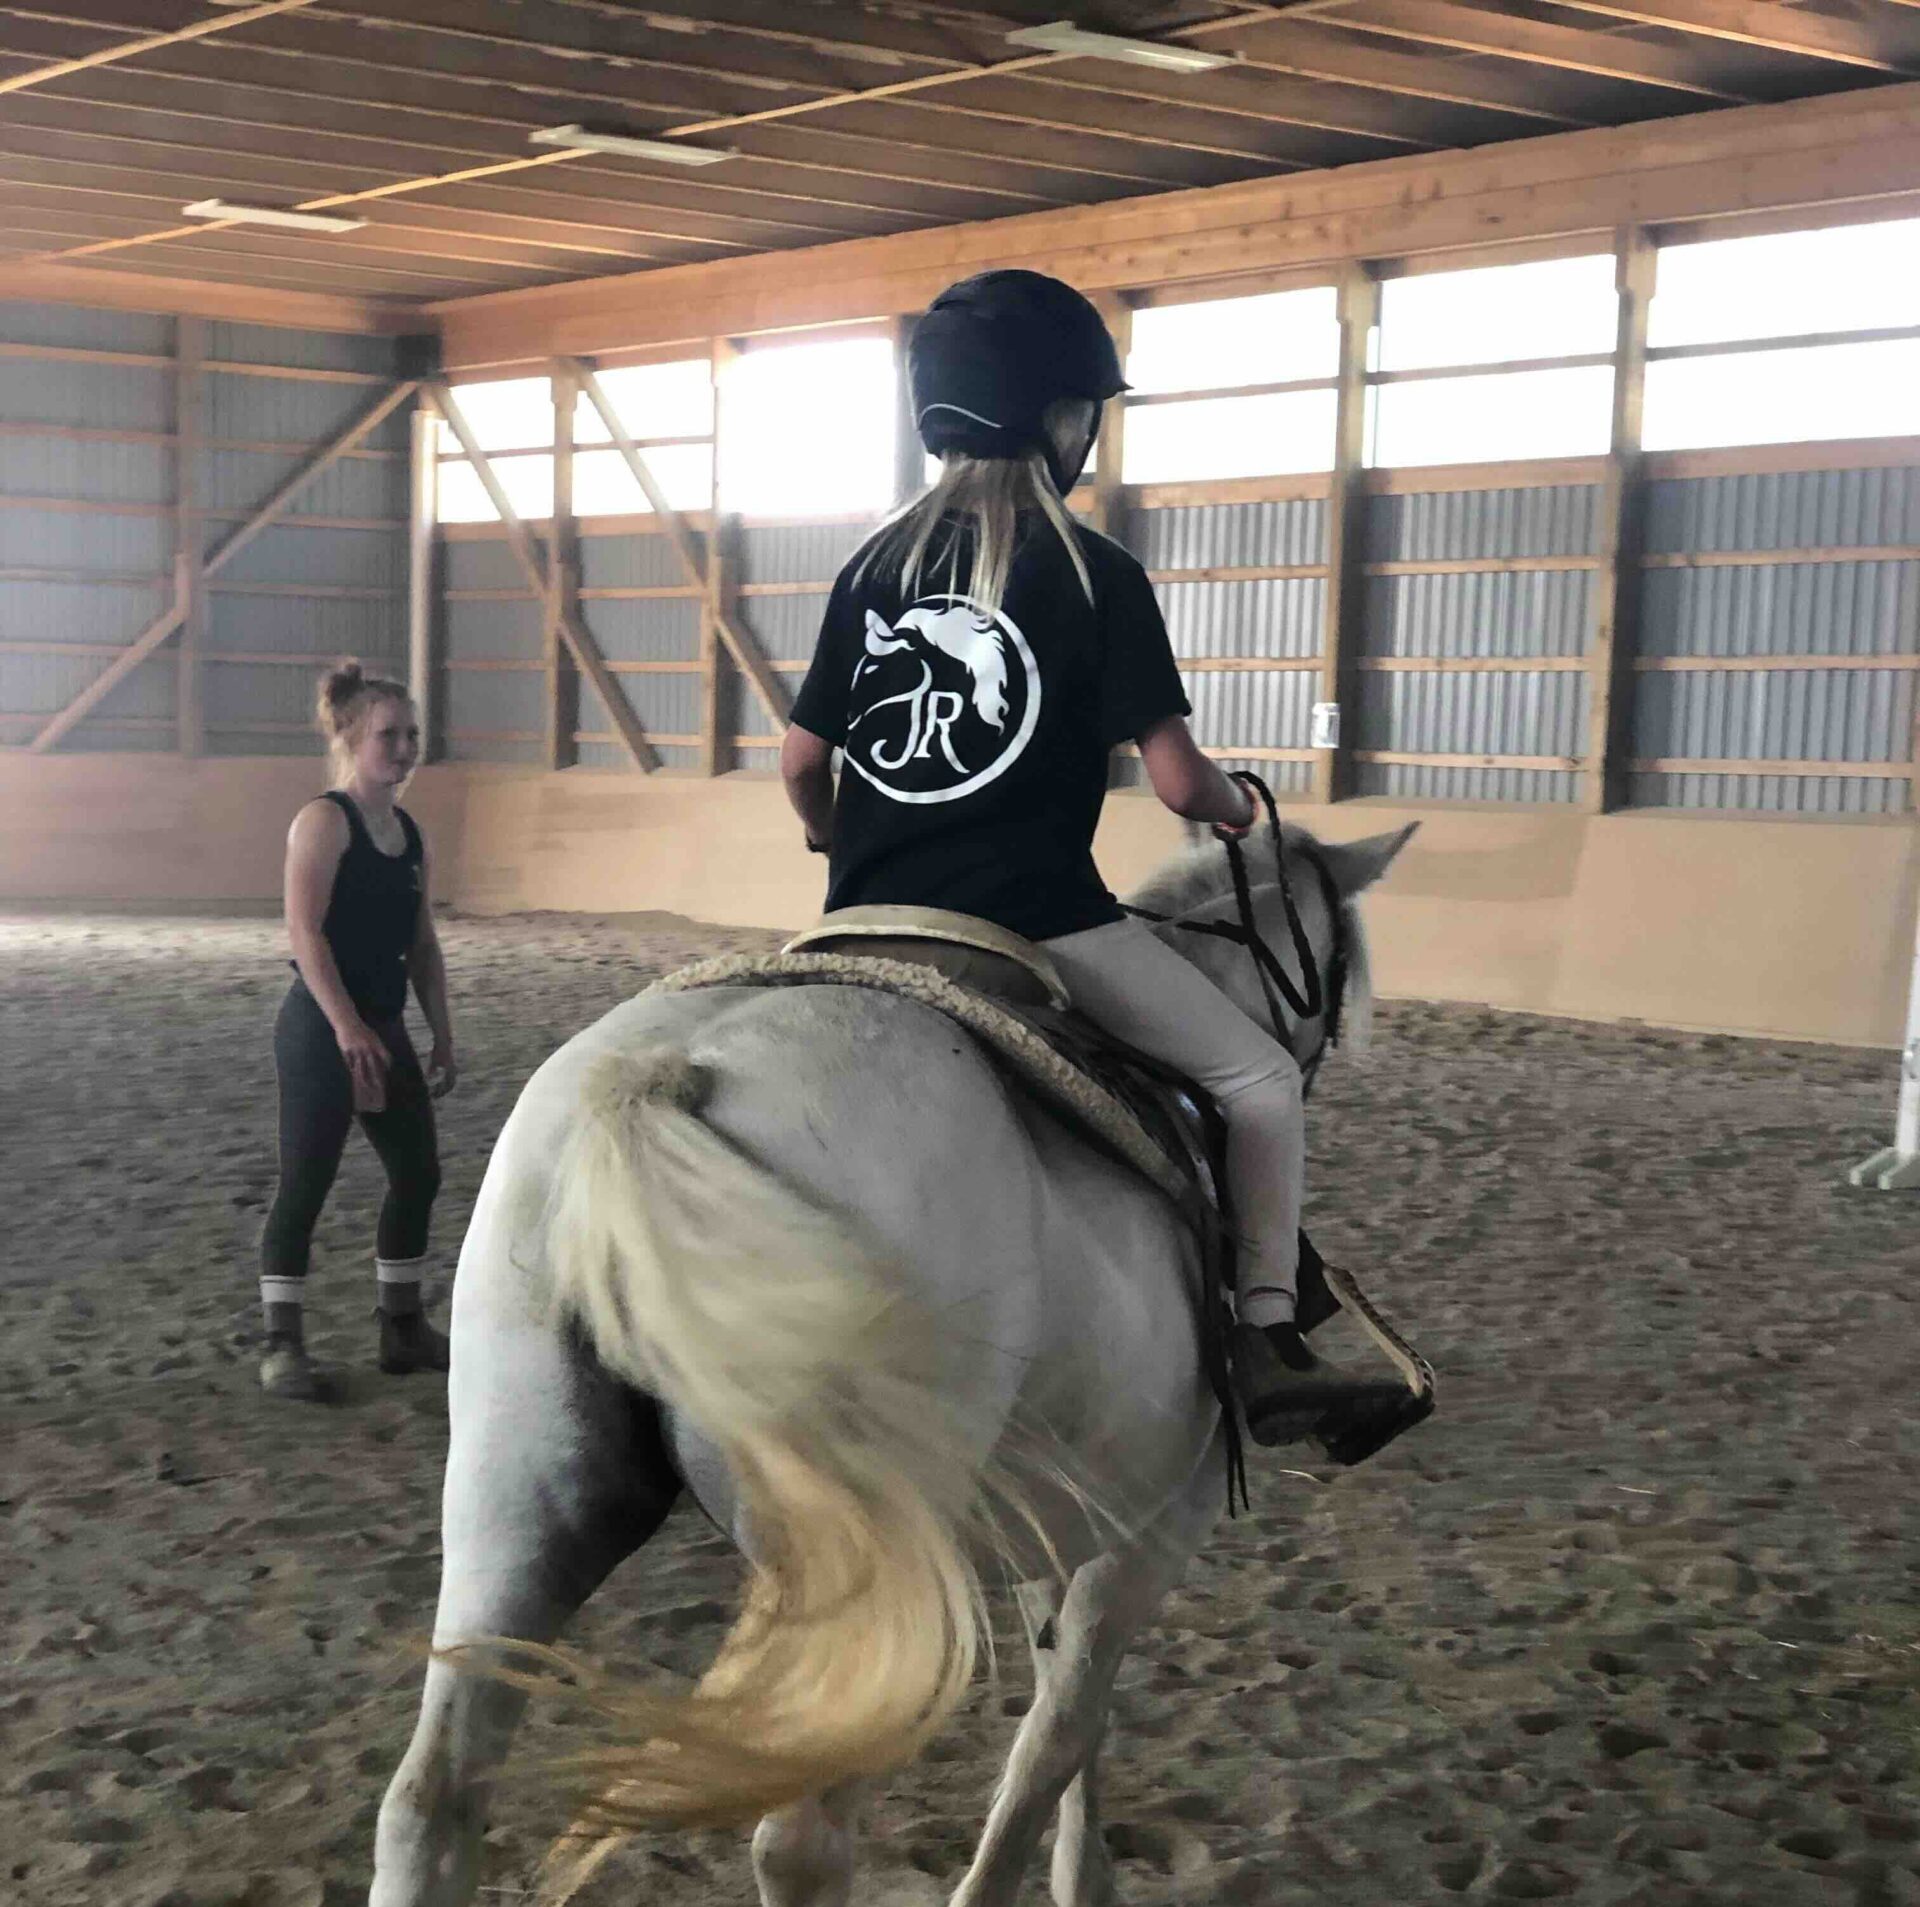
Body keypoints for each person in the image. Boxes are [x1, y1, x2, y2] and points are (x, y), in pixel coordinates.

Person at [780, 269, 1406, 1448]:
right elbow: (1177, 780)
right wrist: (1233, 811)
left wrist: (835, 836)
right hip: (1039, 919)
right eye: (1083, 412)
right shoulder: (1095, 570)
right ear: (1061, 421)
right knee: (1261, 1083)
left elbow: (801, 763)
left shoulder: (871, 568)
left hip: (861, 918)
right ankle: (1267, 1337)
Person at [257, 661, 455, 1402]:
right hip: (319, 1027)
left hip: (382, 1026)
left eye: (411, 734)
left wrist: (441, 1032)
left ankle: (400, 1327)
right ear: (349, 737)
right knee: (306, 1181)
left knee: (418, 1172)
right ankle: (282, 1341)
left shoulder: (407, 832)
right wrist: (343, 1026)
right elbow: (305, 933)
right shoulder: (323, 821)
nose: (404, 748)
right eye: (388, 735)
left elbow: (424, 943)